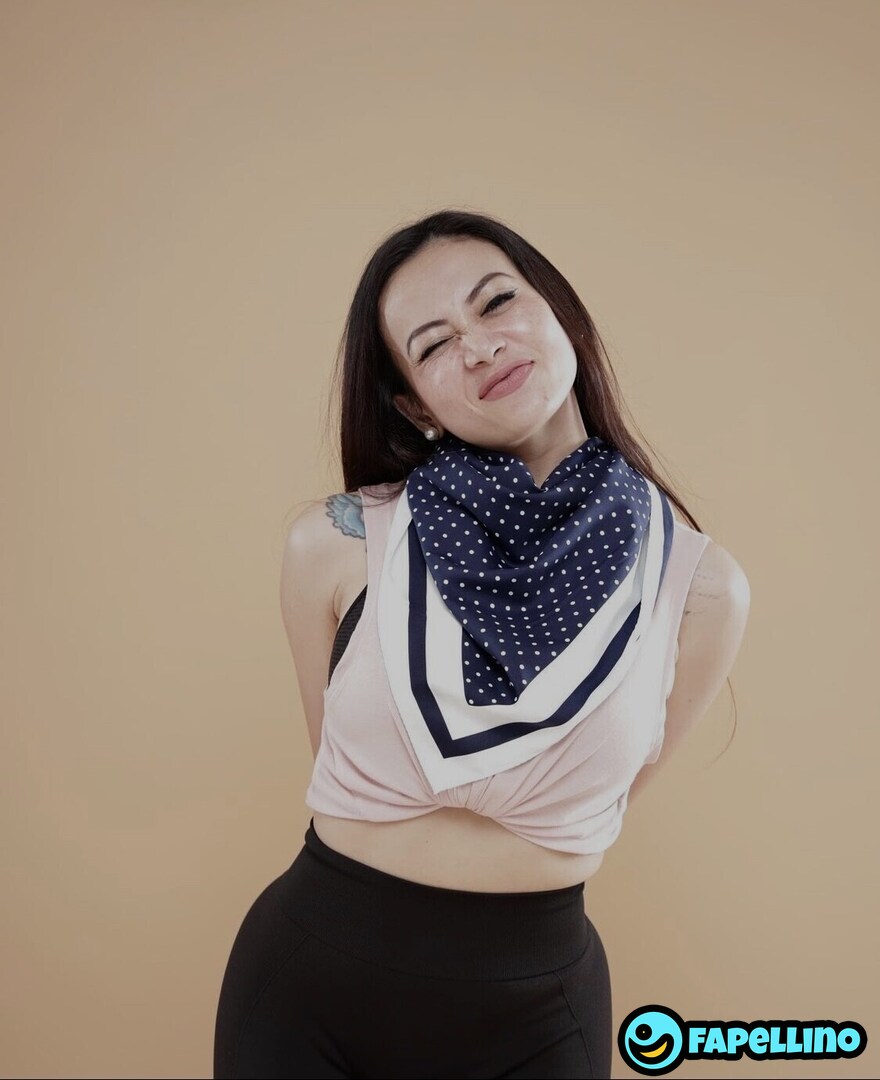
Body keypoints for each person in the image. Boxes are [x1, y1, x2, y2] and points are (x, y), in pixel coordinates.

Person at [213, 209, 751, 1079]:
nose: (479, 346)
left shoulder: (703, 590)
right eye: (434, 345)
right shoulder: (336, 544)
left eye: (496, 302)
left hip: (537, 1012)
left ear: (561, 312)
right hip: (310, 987)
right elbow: (334, 762)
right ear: (414, 406)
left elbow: (603, 805)